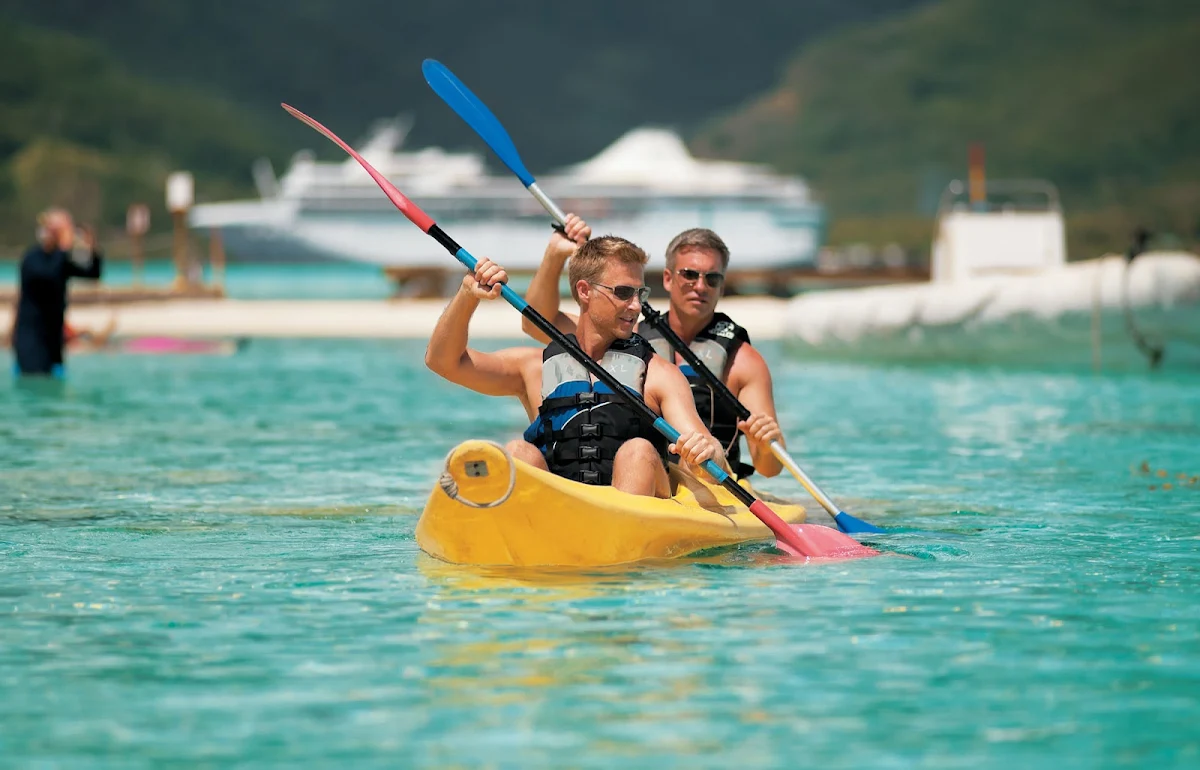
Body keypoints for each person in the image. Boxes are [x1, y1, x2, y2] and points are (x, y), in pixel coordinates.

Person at [425, 235, 725, 498]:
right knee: (518, 451)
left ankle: (619, 551)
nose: (636, 306)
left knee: (638, 451)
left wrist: (708, 451)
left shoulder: (657, 373)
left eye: (640, 294)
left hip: (636, 513)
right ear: (584, 291)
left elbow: (709, 461)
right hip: (563, 509)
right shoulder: (534, 367)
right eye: (623, 292)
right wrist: (467, 295)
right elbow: (443, 362)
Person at [520, 216, 785, 479]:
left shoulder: (744, 361)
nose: (700, 286)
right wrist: (556, 256)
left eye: (712, 279)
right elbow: (536, 322)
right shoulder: (627, 335)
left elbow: (770, 469)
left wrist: (764, 445)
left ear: (722, 286)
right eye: (690, 275)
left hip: (711, 478)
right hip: (648, 473)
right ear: (668, 279)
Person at [10, 208, 103, 376]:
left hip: (54, 338)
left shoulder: (61, 259)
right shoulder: (32, 258)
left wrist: (91, 246)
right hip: (31, 338)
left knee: (54, 381)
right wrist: (64, 247)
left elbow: (93, 273)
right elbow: (49, 274)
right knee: (35, 383)